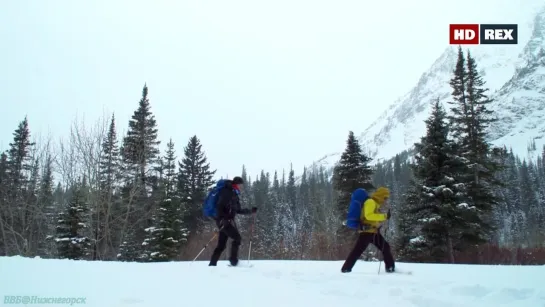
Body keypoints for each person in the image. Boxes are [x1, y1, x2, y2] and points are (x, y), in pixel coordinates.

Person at [340, 186, 395, 273]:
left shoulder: (375, 204)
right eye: (385, 197)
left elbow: (372, 217)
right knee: (357, 251)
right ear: (380, 195)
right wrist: (384, 216)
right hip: (367, 232)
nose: (385, 200)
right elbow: (368, 215)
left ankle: (390, 268)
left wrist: (380, 221)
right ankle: (345, 269)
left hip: (373, 232)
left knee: (385, 247)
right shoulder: (370, 202)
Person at [209, 176, 257, 266]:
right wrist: (223, 219)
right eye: (241, 185)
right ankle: (233, 261)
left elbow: (238, 210)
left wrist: (251, 211)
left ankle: (212, 264)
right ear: (236, 184)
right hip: (223, 221)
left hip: (227, 221)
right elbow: (220, 206)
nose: (242, 187)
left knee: (221, 245)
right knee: (237, 238)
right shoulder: (227, 192)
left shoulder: (235, 194)